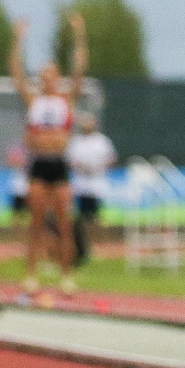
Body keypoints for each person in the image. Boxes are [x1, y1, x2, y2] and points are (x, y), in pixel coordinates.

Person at [9, 15, 86, 295]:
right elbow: (16, 73)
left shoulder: (66, 99)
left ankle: (66, 275)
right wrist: (17, 40)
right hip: (39, 163)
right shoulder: (34, 100)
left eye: (52, 74)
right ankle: (31, 274)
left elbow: (79, 70)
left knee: (64, 223)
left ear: (57, 77)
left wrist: (79, 35)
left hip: (59, 163)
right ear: (40, 78)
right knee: (36, 221)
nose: (48, 78)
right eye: (44, 74)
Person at [66, 112, 117, 266]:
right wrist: (81, 167)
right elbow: (69, 161)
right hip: (80, 184)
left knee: (96, 217)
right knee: (80, 218)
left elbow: (111, 159)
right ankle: (84, 246)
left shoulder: (102, 141)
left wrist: (98, 167)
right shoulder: (75, 142)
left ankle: (99, 245)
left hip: (97, 183)